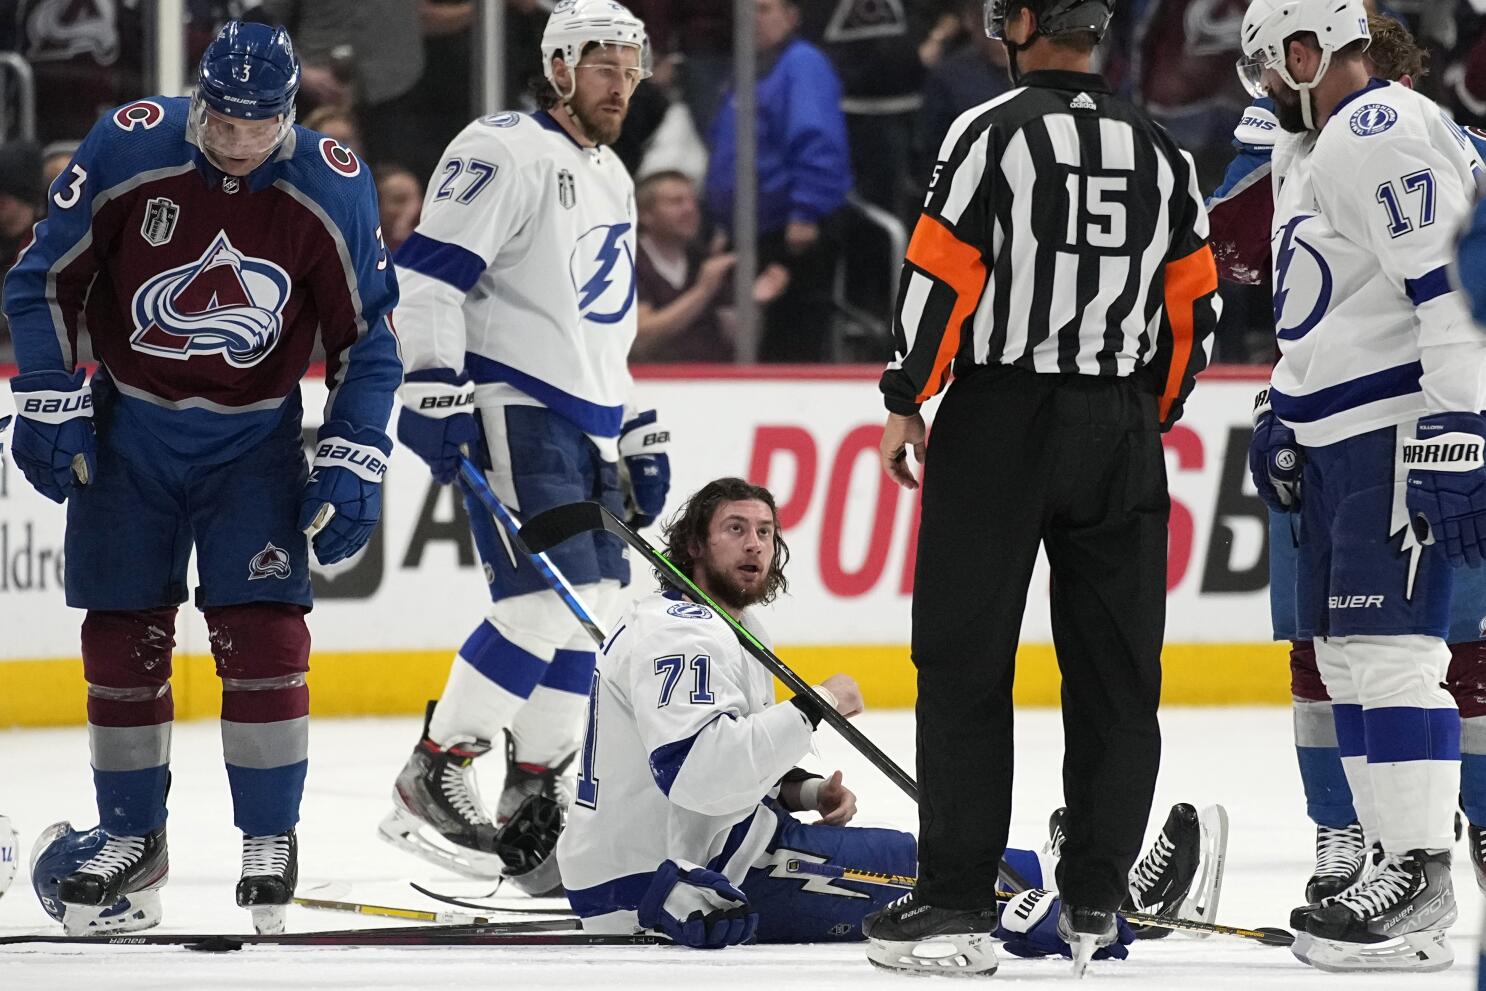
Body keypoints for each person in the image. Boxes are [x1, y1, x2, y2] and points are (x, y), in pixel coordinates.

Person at [10, 21, 401, 937]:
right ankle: (130, 836)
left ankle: (270, 837)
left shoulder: (332, 184)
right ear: (197, 100)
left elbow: (368, 337)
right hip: (129, 426)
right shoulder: (128, 141)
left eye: (255, 125)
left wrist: (355, 450)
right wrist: (45, 390)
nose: (233, 140)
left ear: (290, 116)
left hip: (252, 443)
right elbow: (44, 280)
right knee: (121, 631)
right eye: (219, 118)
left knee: (263, 633)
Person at [866, 0, 1219, 974]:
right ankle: (1097, 902)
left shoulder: (990, 130)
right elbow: (1194, 299)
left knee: (964, 656)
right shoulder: (1158, 147)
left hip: (1000, 419)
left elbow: (940, 271)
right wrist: (1152, 410)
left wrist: (907, 396)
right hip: (1119, 424)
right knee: (1116, 674)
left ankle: (951, 902)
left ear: (1021, 23)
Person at [556, 477, 1221, 961]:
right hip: (674, 882)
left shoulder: (711, 624)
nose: (755, 544)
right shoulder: (683, 632)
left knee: (927, 858)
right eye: (735, 528)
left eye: (764, 531)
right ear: (693, 543)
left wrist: (803, 790)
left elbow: (708, 770)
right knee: (939, 889)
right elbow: (699, 775)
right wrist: (813, 707)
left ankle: (1082, 878)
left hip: (706, 851)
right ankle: (1111, 903)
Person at [381, 0, 669, 897]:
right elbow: (427, 275)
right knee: (546, 605)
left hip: (585, 420)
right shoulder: (499, 147)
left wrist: (632, 420)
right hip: (515, 404)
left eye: (631, 68)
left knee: (598, 608)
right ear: (557, 69)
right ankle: (436, 765)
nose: (619, 84)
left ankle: (533, 796)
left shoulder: (613, 174)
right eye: (601, 66)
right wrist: (432, 379)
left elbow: (603, 319)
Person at [1211, 13, 1486, 908]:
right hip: (1341, 427)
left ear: (1306, 50)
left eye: (1266, 64)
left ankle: (1418, 874)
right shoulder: (1324, 145)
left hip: (1397, 423)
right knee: (1348, 654)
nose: (1259, 87)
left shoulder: (1381, 127)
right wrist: (1284, 408)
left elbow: (1446, 285)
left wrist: (1459, 425)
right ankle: (1385, 864)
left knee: (1394, 649)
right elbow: (1327, 304)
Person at [703, 0, 852, 363]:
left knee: (789, 340)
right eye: (748, 10)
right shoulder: (748, 69)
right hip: (749, 228)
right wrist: (724, 220)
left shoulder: (801, 64)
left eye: (764, 9)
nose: (753, 19)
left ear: (791, 17)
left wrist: (805, 211)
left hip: (789, 231)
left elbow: (817, 138)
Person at [631, 169, 788, 362]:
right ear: (645, 214)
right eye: (676, 202)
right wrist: (703, 291)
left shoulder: (703, 259)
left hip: (712, 379)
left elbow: (736, 340)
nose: (689, 209)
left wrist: (754, 302)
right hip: (655, 382)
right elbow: (640, 338)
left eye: (692, 201)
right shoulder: (629, 262)